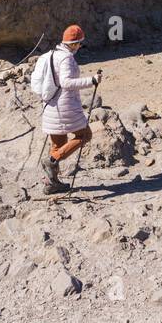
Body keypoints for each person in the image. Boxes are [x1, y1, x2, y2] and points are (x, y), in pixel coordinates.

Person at [31, 24, 100, 195]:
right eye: (80, 44)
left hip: (49, 105)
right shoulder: (66, 58)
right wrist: (91, 80)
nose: (79, 47)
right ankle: (52, 160)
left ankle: (51, 183)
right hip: (65, 106)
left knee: (58, 144)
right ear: (75, 43)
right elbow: (66, 82)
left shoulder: (48, 55)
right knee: (84, 135)